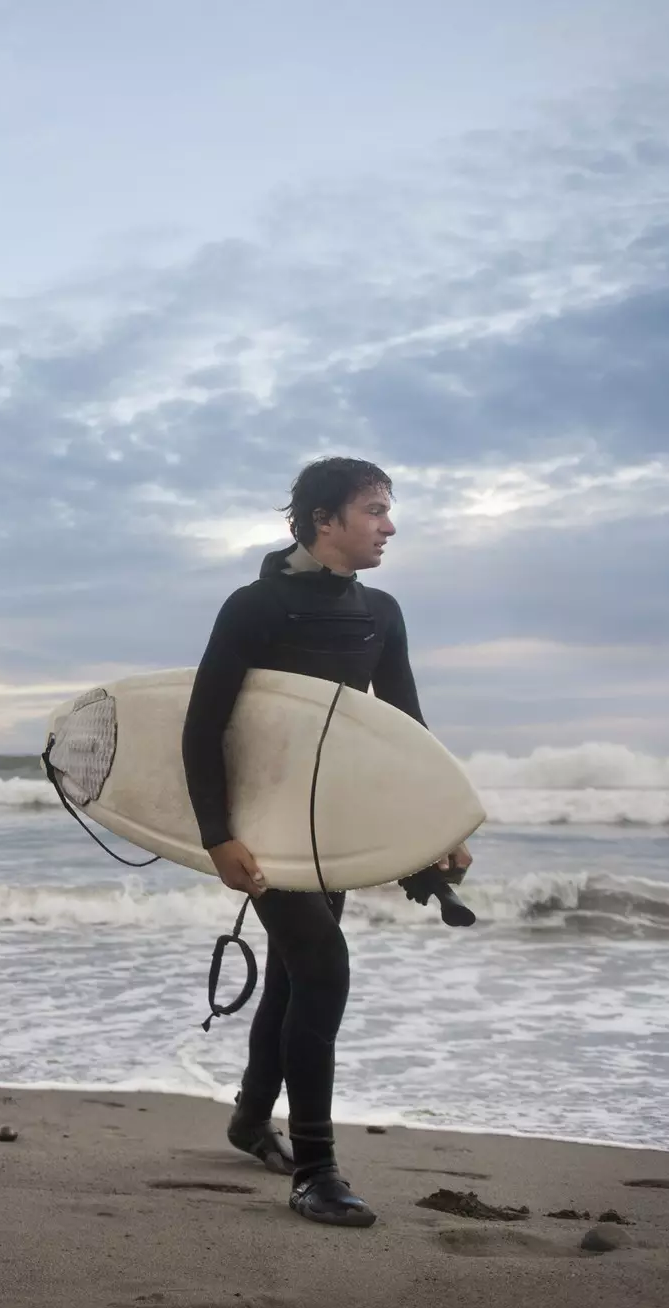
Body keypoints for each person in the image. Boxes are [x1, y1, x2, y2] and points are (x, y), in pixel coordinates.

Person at [179, 456, 472, 1229]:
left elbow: (405, 731)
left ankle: (250, 1117)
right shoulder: (253, 607)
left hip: (329, 823)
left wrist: (437, 827)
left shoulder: (382, 612)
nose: (389, 524)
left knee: (295, 973)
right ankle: (315, 1168)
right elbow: (202, 726)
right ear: (324, 523)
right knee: (323, 965)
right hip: (264, 826)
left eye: (387, 509)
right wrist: (219, 838)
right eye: (374, 509)